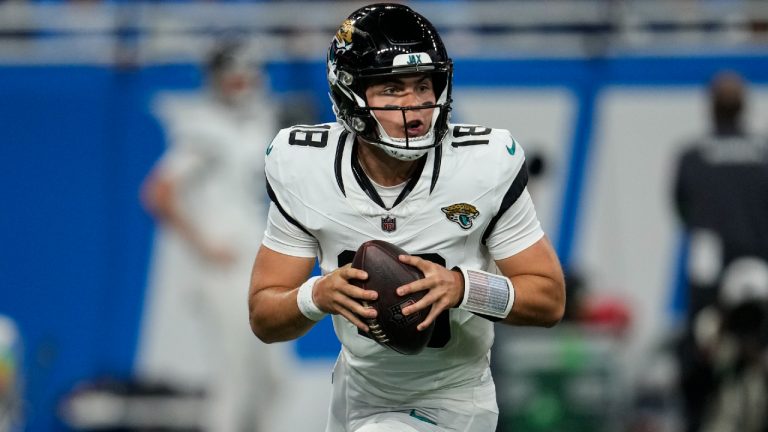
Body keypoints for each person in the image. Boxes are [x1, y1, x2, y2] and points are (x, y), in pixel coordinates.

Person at [248, 4, 566, 431]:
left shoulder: (484, 165)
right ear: (349, 94)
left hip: (452, 396)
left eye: (423, 86)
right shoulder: (304, 168)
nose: (414, 108)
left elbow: (549, 299)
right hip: (354, 392)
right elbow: (264, 317)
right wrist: (316, 296)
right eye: (392, 90)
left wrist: (462, 286)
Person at [139, 40, 279, 432]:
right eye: (234, 76)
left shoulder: (259, 122)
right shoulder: (206, 130)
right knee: (234, 380)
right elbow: (158, 192)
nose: (242, 83)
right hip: (228, 270)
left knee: (272, 381)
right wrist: (206, 246)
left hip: (261, 264)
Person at [672, 71, 768, 432]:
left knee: (696, 356)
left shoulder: (693, 156)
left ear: (711, 109)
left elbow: (681, 208)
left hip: (710, 280)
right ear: (744, 108)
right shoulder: (764, 154)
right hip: (761, 270)